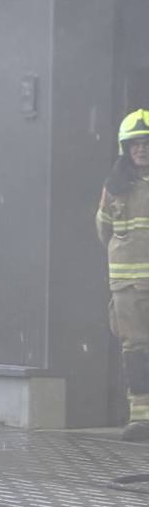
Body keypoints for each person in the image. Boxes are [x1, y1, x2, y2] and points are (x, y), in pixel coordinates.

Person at [101, 111, 149, 441]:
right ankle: (141, 418)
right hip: (127, 290)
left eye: (147, 144)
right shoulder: (114, 188)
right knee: (134, 350)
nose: (142, 150)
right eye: (136, 144)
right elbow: (103, 229)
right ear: (125, 148)